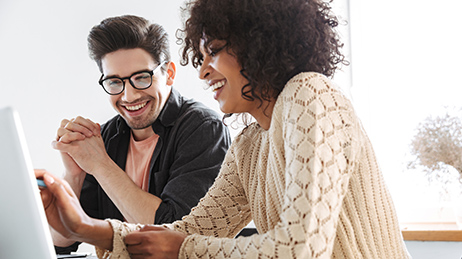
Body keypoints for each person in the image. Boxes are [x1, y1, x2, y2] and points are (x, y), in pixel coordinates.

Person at [38, 0, 411, 258]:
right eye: (199, 58)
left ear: (259, 45)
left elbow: (300, 249)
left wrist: (182, 249)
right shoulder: (250, 144)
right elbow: (192, 229)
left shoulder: (309, 94)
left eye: (213, 51)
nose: (201, 71)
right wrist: (85, 228)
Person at [50, 15, 231, 254]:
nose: (129, 96)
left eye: (142, 78)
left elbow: (175, 236)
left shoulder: (203, 128)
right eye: (115, 82)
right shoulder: (106, 137)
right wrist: (74, 175)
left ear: (169, 73)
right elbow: (60, 241)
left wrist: (101, 165)